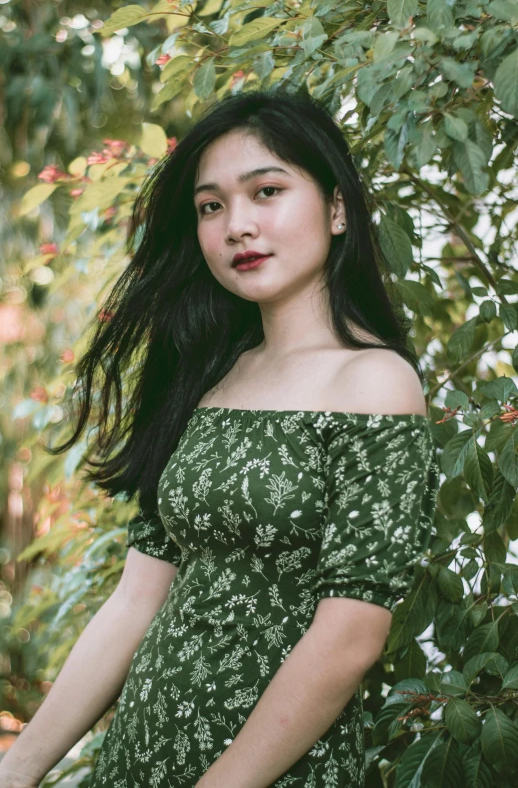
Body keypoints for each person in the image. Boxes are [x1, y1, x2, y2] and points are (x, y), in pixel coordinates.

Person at [0, 87, 439, 787]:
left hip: (267, 771)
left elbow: (349, 637)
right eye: (212, 206)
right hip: (142, 755)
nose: (237, 225)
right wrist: (18, 769)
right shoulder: (213, 379)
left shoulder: (375, 384)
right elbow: (136, 600)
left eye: (266, 191)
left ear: (337, 208)